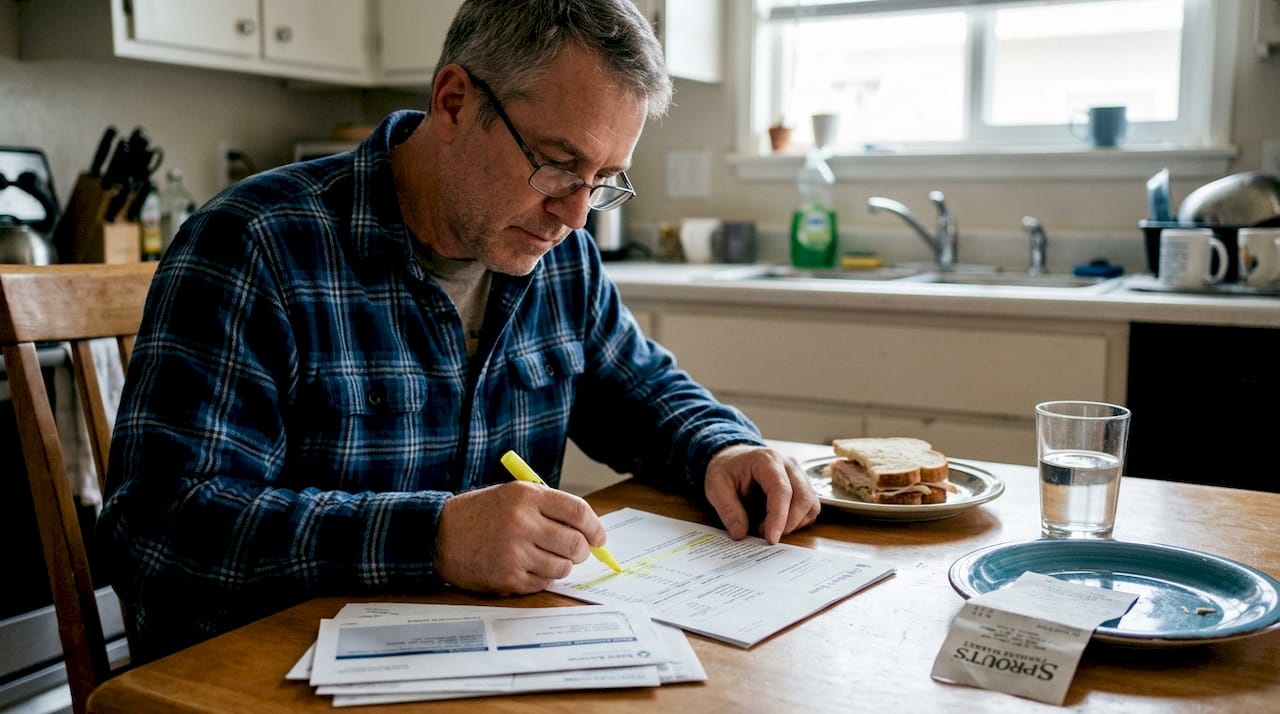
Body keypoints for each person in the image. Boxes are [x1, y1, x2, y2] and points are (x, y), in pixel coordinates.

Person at [99, 0, 820, 662]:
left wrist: (723, 447)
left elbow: (641, 391)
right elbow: (157, 530)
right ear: (453, 102)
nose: (576, 215)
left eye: (603, 179)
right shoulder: (254, 246)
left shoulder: (559, 261)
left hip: (482, 665)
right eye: (558, 165)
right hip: (265, 678)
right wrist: (435, 537)